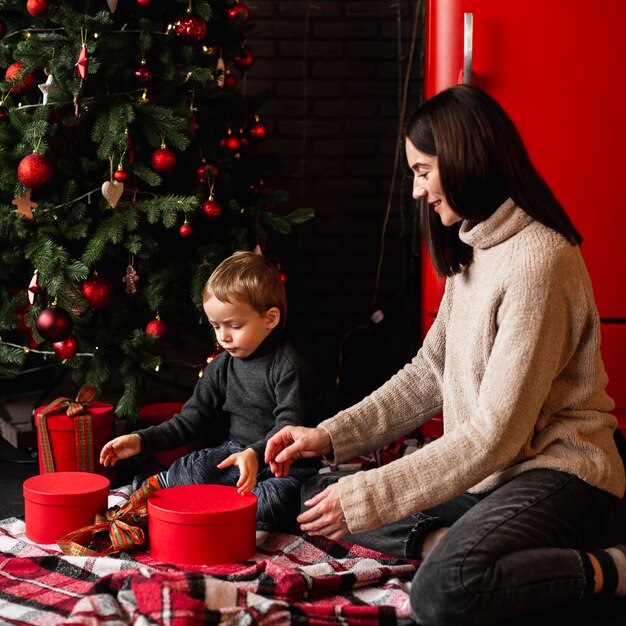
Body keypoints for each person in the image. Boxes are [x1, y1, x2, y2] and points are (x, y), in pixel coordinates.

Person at [265, 84, 626, 624]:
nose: (417, 191)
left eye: (422, 171)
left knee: (443, 590)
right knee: (319, 499)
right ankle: (472, 542)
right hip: (490, 477)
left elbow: (495, 435)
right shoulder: (478, 246)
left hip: (558, 470)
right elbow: (427, 373)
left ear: (465, 161)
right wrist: (330, 436)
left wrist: (370, 494)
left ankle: (610, 567)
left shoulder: (538, 262)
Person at [100, 250, 318, 532]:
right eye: (216, 326)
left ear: (270, 318)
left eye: (234, 326)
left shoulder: (289, 367)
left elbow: (288, 430)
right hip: (234, 457)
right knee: (196, 468)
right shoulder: (222, 365)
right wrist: (142, 440)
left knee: (277, 500)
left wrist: (255, 453)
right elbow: (189, 420)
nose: (223, 337)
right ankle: (181, 492)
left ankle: (221, 508)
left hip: (284, 464)